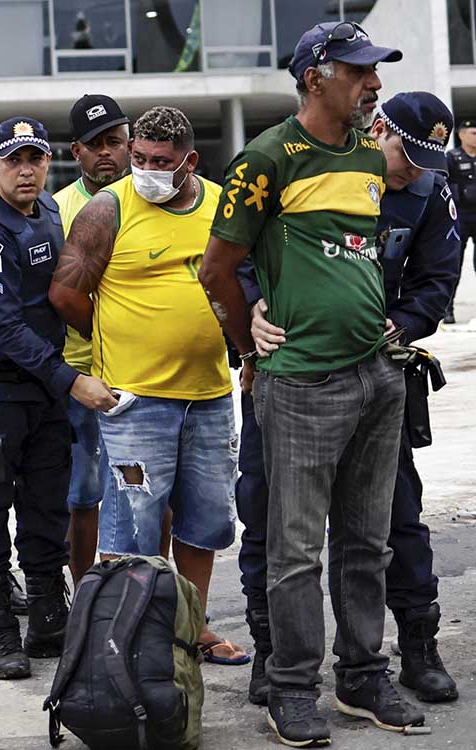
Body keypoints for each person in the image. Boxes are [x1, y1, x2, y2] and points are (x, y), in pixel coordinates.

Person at [196, 22, 421, 746]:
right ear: (316, 76)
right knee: (295, 553)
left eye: (375, 73)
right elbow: (216, 269)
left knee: (367, 543)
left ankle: (362, 678)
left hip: (377, 377)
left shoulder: (365, 156)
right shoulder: (267, 158)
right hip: (301, 383)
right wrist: (247, 340)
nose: (374, 84)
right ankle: (292, 688)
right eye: (360, 72)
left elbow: (348, 256)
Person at [235, 92, 461, 711]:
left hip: (378, 371)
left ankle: (414, 646)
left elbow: (439, 276)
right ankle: (270, 652)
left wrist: (404, 324)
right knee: (269, 518)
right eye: (404, 155)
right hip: (290, 371)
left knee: (393, 522)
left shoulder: (428, 189)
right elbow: (238, 253)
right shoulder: (303, 163)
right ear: (379, 127)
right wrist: (252, 314)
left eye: (424, 162)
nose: (410, 171)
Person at [50, 105, 245, 668]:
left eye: (161, 162)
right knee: (132, 528)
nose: (147, 170)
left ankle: (194, 627)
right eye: (139, 158)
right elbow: (65, 295)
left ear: (190, 162)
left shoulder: (217, 203)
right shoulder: (107, 209)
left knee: (204, 522)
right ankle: (134, 639)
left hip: (208, 395)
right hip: (135, 401)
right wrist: (120, 332)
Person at [0, 117, 115, 681]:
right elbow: (4, 327)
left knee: (45, 507)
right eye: (13, 160)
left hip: (40, 391)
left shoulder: (45, 213)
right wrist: (72, 379)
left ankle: (47, 616)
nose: (26, 170)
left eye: (35, 159)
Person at [51, 94, 130, 581]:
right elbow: (56, 294)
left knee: (148, 490)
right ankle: (83, 593)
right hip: (81, 372)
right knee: (84, 491)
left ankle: (145, 589)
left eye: (115, 142)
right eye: (94, 144)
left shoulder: (151, 198)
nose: (107, 153)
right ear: (75, 152)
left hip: (145, 372)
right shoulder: (56, 210)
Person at [446, 119, 476, 323]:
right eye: (473, 132)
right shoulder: (452, 157)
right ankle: (448, 310)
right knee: (453, 264)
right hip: (461, 217)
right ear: (461, 135)